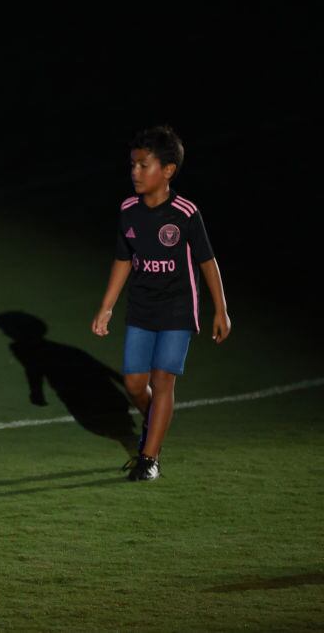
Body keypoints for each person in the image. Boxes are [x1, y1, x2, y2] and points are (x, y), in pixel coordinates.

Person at [92, 125, 231, 481]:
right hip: (141, 308)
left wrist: (221, 310)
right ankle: (156, 425)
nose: (134, 173)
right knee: (136, 384)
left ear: (167, 171)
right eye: (133, 165)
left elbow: (207, 261)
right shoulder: (128, 210)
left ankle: (149, 456)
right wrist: (107, 306)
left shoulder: (185, 213)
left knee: (162, 381)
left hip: (178, 310)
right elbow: (123, 259)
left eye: (143, 166)